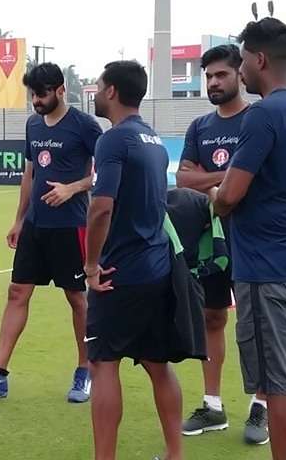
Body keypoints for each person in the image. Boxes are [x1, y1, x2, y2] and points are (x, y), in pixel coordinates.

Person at [212, 17, 286, 460]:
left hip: (266, 270)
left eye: (242, 61)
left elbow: (230, 194)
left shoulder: (262, 114)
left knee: (277, 383)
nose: (240, 71)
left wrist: (214, 197)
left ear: (259, 59)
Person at [0, 63, 101, 402]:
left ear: (61, 90)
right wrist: (19, 219)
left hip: (71, 225)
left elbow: (106, 171)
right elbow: (29, 174)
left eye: (42, 93)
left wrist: (73, 188)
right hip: (36, 225)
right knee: (17, 292)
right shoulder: (33, 124)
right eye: (32, 94)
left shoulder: (85, 125)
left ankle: (86, 370)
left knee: (77, 298)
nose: (36, 100)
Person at [84, 60, 189, 460]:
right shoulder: (154, 140)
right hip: (156, 268)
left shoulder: (113, 139)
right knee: (157, 364)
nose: (93, 92)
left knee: (104, 363)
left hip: (119, 274)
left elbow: (100, 208)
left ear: (111, 91)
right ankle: (175, 452)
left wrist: (91, 266)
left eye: (97, 85)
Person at [175, 44, 270, 445]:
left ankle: (261, 406)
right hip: (210, 243)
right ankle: (212, 405)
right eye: (209, 76)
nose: (214, 82)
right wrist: (227, 176)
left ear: (239, 75)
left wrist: (211, 178)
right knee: (213, 319)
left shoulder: (258, 120)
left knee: (258, 327)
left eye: (221, 75)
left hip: (252, 240)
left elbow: (258, 180)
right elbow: (182, 179)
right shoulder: (200, 127)